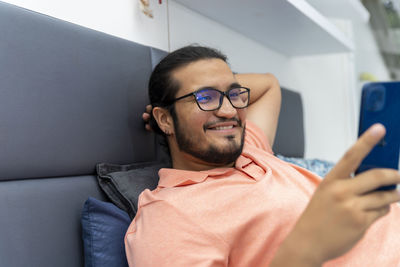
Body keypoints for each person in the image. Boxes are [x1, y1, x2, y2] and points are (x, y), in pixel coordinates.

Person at [124, 45, 400, 266]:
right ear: (164, 121)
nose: (230, 111)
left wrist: (194, 100)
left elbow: (269, 85)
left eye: (234, 94)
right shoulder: (169, 219)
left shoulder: (249, 147)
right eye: (205, 98)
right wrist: (305, 249)